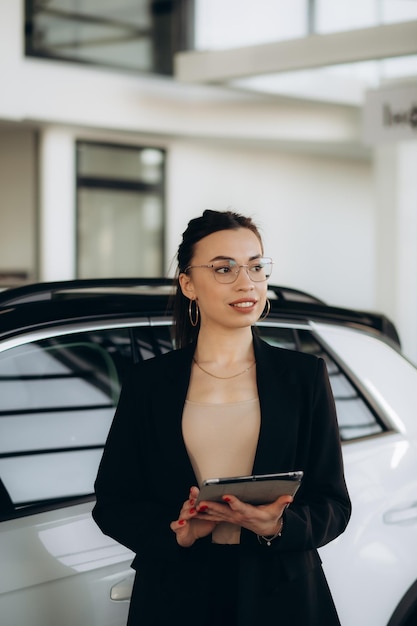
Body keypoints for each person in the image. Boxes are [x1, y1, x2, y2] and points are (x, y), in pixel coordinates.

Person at [92, 209, 351, 626]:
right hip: (176, 595)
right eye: (224, 268)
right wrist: (175, 531)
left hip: (281, 595)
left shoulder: (303, 376)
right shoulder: (149, 382)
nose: (246, 282)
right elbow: (114, 502)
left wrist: (277, 525)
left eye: (255, 266)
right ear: (188, 284)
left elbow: (334, 503)